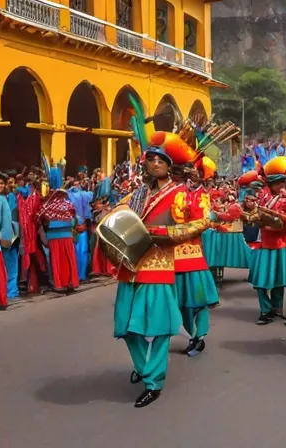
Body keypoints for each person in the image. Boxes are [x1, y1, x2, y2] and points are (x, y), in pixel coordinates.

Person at [108, 132, 185, 408]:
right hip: (130, 266)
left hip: (158, 265)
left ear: (169, 165)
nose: (153, 163)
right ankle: (144, 367)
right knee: (127, 327)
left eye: (159, 159)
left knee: (160, 328)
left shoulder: (179, 193)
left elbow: (195, 225)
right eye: (149, 159)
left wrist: (159, 233)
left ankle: (153, 380)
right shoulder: (136, 194)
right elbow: (116, 216)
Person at [244, 156, 286, 325]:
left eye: (279, 183)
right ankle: (267, 310)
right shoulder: (263, 198)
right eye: (272, 184)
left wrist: (280, 219)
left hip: (285, 243)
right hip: (265, 244)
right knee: (260, 282)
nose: (276, 187)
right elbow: (257, 216)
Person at [172, 154, 217, 357]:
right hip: (172, 253)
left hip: (193, 253)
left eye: (198, 173)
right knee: (181, 301)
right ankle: (191, 335)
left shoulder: (203, 196)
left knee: (197, 300)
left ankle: (200, 336)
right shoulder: (173, 192)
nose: (193, 175)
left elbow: (204, 222)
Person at [38, 188, 79, 293]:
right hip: (67, 236)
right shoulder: (69, 205)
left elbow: (39, 219)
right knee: (69, 260)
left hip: (53, 237)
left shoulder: (47, 207)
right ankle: (71, 283)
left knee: (56, 261)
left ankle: (59, 284)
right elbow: (73, 220)